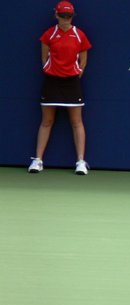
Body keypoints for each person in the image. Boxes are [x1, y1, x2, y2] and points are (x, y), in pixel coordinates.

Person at [28, 1, 92, 175]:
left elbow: (83, 61)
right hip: (52, 82)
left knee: (76, 122)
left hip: (72, 83)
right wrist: (52, 71)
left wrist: (73, 73)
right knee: (47, 122)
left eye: (68, 16)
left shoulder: (79, 35)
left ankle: (80, 162)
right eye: (62, 16)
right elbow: (44, 58)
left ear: (72, 16)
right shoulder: (49, 34)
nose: (65, 19)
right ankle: (38, 161)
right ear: (56, 15)